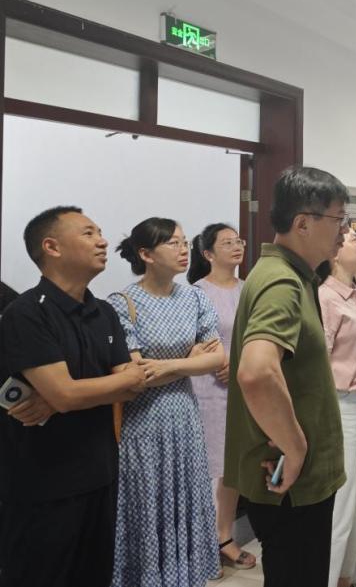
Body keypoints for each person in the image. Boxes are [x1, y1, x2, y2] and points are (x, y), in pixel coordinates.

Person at [0, 207, 145, 587]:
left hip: (100, 475)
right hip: (42, 486)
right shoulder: (26, 313)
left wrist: (66, 394)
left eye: (100, 232)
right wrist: (68, 394)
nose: (103, 241)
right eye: (88, 233)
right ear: (52, 247)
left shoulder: (105, 312)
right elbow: (72, 392)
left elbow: (134, 384)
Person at [225, 166, 349, 587]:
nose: (344, 232)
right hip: (291, 483)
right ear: (302, 223)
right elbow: (257, 371)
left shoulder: (294, 275)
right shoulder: (282, 281)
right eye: (338, 220)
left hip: (296, 481)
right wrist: (295, 448)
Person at [109, 217, 226, 586]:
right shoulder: (123, 303)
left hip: (185, 418)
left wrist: (168, 365)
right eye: (173, 243)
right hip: (143, 422)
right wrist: (189, 361)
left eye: (184, 242)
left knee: (187, 503)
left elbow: (216, 358)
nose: (183, 250)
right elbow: (136, 375)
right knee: (148, 505)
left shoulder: (194, 297)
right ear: (146, 254)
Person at [186, 223, 257, 571]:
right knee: (210, 467)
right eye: (227, 243)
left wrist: (239, 363)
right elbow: (188, 342)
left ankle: (224, 535)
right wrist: (217, 361)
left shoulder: (249, 289)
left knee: (233, 467)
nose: (237, 246)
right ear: (208, 254)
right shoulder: (195, 293)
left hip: (244, 387)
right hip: (208, 389)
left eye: (238, 241)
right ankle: (204, 543)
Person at [318, 230, 356, 587]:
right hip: (340, 405)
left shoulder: (354, 292)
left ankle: (344, 576)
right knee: (341, 502)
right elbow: (321, 363)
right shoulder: (326, 296)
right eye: (354, 239)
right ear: (334, 252)